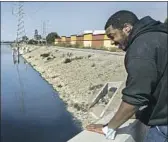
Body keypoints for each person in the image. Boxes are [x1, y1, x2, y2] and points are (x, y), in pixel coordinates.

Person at [86, 10, 168, 142]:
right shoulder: (160, 35)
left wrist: (109, 128)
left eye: (112, 36)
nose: (113, 42)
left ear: (127, 28)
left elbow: (134, 99)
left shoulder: (141, 48)